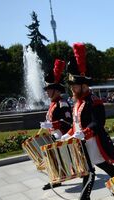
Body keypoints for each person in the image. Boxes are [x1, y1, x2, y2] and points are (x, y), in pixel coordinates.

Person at [61, 43, 114, 200]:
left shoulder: (94, 101)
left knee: (101, 169)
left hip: (95, 142)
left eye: (74, 86)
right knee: (90, 170)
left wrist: (84, 132)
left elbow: (97, 122)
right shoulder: (78, 102)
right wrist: (68, 135)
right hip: (83, 142)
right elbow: (76, 124)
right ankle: (86, 199)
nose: (72, 89)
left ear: (83, 85)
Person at [40, 59, 72, 190]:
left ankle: (57, 179)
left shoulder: (62, 103)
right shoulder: (53, 103)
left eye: (49, 89)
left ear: (56, 90)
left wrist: (52, 124)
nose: (46, 92)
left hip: (61, 136)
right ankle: (55, 179)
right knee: (52, 158)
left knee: (58, 158)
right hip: (54, 135)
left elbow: (68, 121)